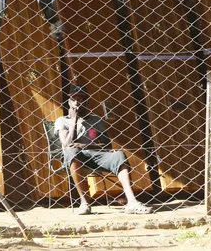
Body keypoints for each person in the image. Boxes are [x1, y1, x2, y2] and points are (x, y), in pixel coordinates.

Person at [54, 84, 152, 215]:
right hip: (75, 158)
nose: (77, 102)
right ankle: (85, 203)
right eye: (74, 99)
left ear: (87, 101)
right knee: (72, 151)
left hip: (96, 155)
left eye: (82, 99)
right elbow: (66, 145)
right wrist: (75, 120)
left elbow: (107, 146)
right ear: (69, 101)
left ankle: (132, 202)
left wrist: (85, 145)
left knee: (118, 154)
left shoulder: (96, 120)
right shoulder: (62, 121)